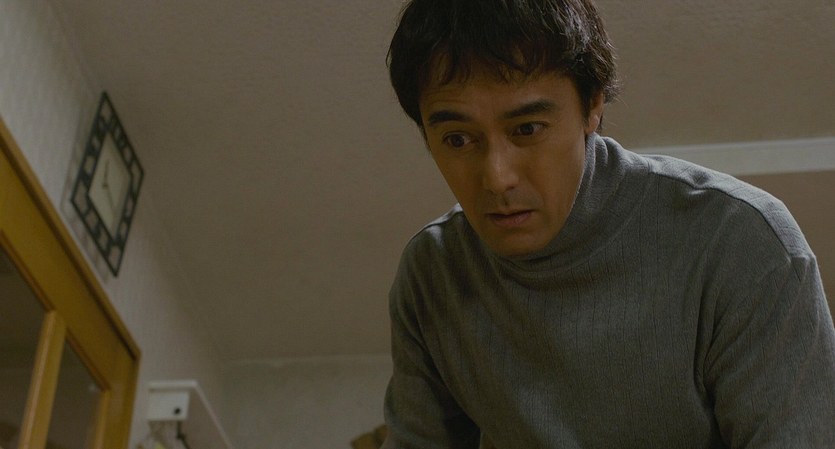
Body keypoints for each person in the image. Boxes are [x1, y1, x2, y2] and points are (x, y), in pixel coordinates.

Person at [381, 0, 835, 448]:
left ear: (592, 104)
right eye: (458, 139)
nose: (497, 178)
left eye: (527, 129)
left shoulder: (741, 243)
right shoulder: (432, 272)